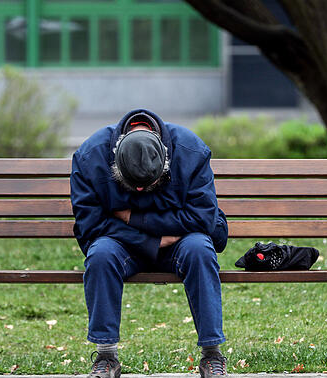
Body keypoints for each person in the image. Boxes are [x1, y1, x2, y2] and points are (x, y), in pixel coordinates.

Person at [70, 109, 229, 378]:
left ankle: (212, 354)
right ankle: (106, 357)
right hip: (123, 248)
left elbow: (204, 219)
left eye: (149, 183)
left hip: (180, 246)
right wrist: (153, 239)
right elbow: (90, 228)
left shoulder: (191, 151)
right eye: (133, 185)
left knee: (200, 248)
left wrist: (133, 217)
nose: (141, 191)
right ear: (115, 164)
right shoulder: (89, 158)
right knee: (100, 254)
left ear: (165, 159)